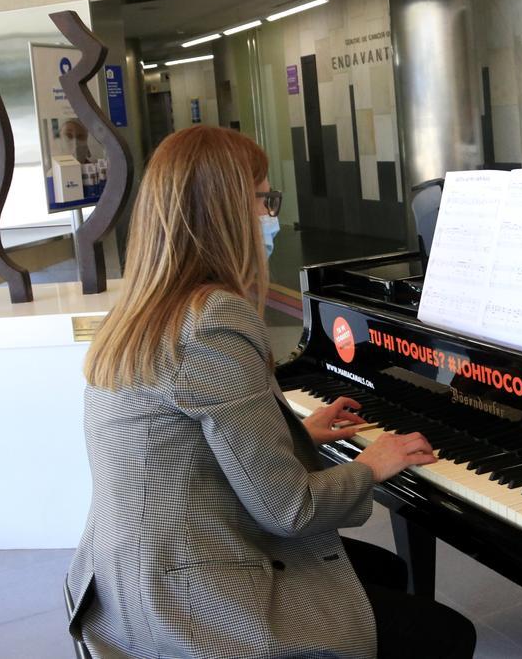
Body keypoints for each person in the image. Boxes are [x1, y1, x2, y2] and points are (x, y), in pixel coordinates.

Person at [65, 125, 476, 659]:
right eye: (263, 198)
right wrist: (371, 465)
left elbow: (188, 445)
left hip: (129, 572)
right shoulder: (212, 318)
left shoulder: (147, 309)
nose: (272, 215)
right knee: (447, 636)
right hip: (189, 600)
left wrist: (296, 434)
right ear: (224, 212)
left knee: (386, 570)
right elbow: (290, 510)